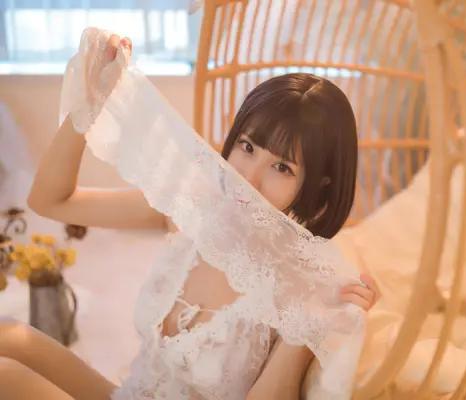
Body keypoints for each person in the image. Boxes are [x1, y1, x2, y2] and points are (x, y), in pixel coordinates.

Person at [0, 32, 380, 399]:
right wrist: (92, 101)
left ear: (319, 185)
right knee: (9, 336)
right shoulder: (196, 211)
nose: (248, 178)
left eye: (282, 168)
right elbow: (51, 202)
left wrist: (305, 332)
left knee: (7, 376)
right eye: (247, 146)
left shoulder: (301, 286)